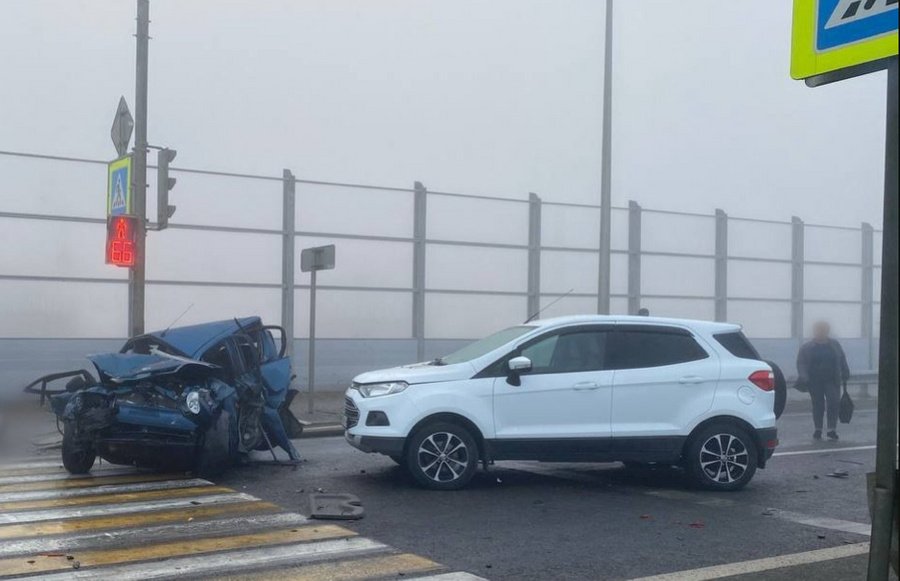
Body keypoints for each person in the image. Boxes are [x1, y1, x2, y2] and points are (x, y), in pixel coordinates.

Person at [796, 322, 850, 441]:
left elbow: (841, 358)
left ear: (827, 331)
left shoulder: (834, 345)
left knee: (833, 403)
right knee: (818, 405)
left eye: (823, 330)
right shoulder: (807, 347)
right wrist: (803, 376)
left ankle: (831, 429)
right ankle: (818, 428)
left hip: (832, 380)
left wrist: (845, 372)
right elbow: (801, 363)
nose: (821, 332)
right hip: (814, 381)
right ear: (815, 331)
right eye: (818, 330)